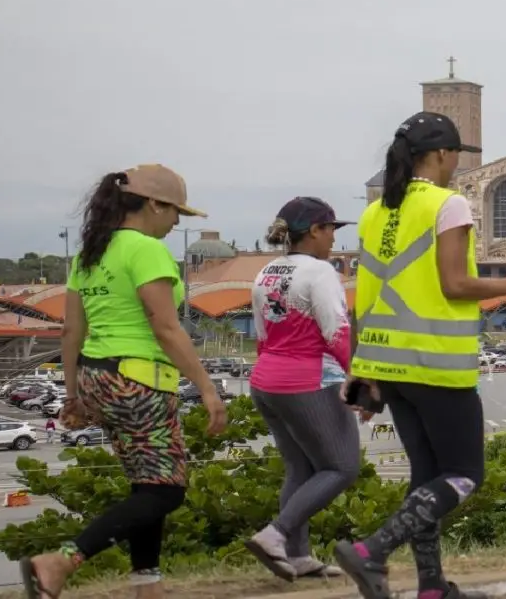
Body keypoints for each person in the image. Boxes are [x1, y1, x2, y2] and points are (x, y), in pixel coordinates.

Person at [334, 112, 506, 599]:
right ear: (443, 155)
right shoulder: (447, 205)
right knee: (465, 474)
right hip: (435, 361)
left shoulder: (374, 213)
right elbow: (455, 284)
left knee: (426, 477)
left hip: (389, 366)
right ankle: (372, 551)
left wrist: (364, 371)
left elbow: (365, 296)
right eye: (455, 156)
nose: (455, 165)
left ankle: (431, 585)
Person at [19, 165, 227, 599]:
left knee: (146, 485)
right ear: (154, 204)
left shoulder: (91, 253)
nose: (175, 223)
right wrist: (207, 387)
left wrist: (73, 395)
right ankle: (61, 561)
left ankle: (146, 584)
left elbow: (70, 333)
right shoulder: (146, 250)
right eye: (175, 213)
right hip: (139, 379)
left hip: (98, 375)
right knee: (166, 492)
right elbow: (166, 328)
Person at [243, 197, 361, 581]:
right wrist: (360, 380)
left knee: (301, 466)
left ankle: (297, 556)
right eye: (331, 230)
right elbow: (338, 333)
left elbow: (262, 337)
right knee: (342, 466)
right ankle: (275, 535)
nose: (333, 239)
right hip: (306, 381)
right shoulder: (321, 272)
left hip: (265, 380)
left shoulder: (266, 272)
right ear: (314, 230)